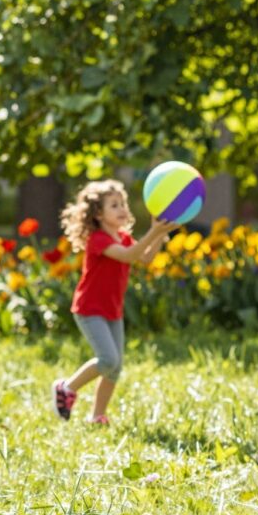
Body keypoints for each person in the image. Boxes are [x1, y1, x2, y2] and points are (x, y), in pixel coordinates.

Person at [52, 179, 171, 425]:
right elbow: (128, 256)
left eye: (123, 204)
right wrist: (154, 231)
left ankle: (97, 416)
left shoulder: (123, 237)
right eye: (114, 205)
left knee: (114, 369)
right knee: (108, 360)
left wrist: (161, 232)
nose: (122, 209)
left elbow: (145, 258)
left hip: (112, 310)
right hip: (89, 309)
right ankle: (66, 387)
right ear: (98, 214)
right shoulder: (98, 240)